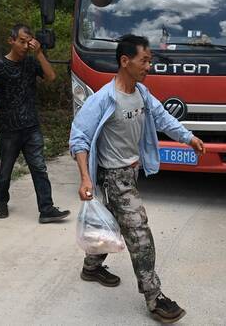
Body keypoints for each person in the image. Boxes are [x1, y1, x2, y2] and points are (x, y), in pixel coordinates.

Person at [69, 34, 205, 324]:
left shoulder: (141, 93)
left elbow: (163, 117)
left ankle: (91, 266)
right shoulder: (104, 98)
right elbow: (79, 137)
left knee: (115, 223)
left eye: (150, 60)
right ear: (125, 61)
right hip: (113, 177)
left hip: (131, 172)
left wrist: (188, 138)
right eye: (144, 60)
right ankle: (155, 298)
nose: (149, 65)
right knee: (139, 233)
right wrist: (84, 178)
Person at [0, 24, 70, 223]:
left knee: (39, 168)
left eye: (29, 41)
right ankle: (1, 202)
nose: (26, 45)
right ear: (11, 41)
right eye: (22, 41)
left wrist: (40, 54)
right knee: (5, 171)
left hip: (31, 126)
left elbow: (51, 77)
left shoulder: (31, 62)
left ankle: (46, 209)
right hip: (9, 129)